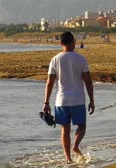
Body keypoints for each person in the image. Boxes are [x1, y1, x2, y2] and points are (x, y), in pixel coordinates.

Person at [42, 31, 95, 164]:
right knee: (81, 125)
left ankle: (67, 158)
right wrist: (92, 100)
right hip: (78, 99)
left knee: (65, 129)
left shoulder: (55, 59)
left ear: (61, 43)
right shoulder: (81, 59)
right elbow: (88, 81)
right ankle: (76, 146)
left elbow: (50, 82)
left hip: (61, 100)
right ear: (74, 42)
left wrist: (46, 102)